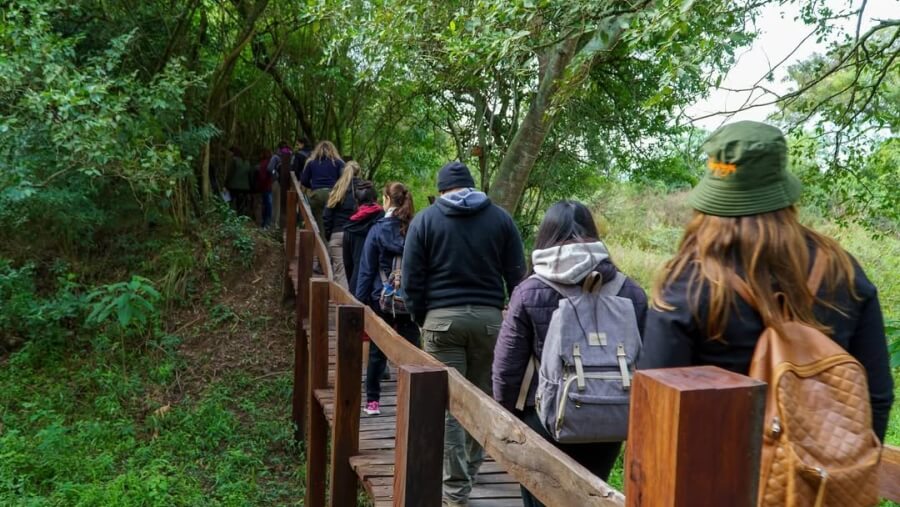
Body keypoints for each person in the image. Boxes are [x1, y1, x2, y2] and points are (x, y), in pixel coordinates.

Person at [639, 120, 893, 440]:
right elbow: (877, 396)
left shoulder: (689, 283)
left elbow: (654, 408)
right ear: (780, 186)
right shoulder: (842, 270)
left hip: (714, 484)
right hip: (820, 483)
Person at [491, 201, 648, 507]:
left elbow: (506, 368)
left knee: (540, 498)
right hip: (610, 417)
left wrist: (505, 418)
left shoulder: (530, 290)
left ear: (546, 236)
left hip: (545, 418)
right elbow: (647, 363)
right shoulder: (630, 291)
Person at [403, 161, 526, 507]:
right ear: (472, 187)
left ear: (442, 190)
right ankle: (470, 470)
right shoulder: (500, 219)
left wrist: (421, 317)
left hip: (441, 322)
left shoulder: (425, 221)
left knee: (448, 405)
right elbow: (519, 277)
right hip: (490, 322)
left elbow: (412, 280)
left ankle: (455, 490)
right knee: (482, 401)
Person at [355, 182, 419, 416]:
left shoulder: (377, 230)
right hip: (408, 299)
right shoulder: (415, 229)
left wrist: (359, 302)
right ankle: (414, 401)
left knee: (376, 351)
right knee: (412, 351)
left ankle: (373, 402)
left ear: (386, 200)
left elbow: (366, 269)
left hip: (379, 297)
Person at [323, 161, 363, 289]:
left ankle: (343, 305)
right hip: (357, 236)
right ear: (359, 172)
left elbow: (327, 215)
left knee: (340, 273)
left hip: (338, 234)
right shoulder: (363, 190)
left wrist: (330, 234)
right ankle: (354, 304)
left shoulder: (337, 189)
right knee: (357, 272)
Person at [343, 181, 383, 293]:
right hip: (380, 284)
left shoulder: (350, 226)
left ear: (357, 200)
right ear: (375, 198)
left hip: (356, 282)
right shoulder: (383, 220)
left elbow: (347, 263)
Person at [299, 140, 344, 238]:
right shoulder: (339, 162)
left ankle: (321, 247)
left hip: (317, 195)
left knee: (319, 224)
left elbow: (303, 180)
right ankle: (331, 248)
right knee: (333, 222)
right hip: (333, 195)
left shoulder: (311, 163)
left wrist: (314, 186)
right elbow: (343, 179)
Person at [225, 146, 253, 216]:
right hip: (245, 187)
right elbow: (249, 175)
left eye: (229, 152)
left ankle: (230, 216)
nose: (228, 154)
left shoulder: (234, 160)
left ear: (233, 152)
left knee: (230, 201)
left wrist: (225, 184)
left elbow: (230, 173)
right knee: (241, 204)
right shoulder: (247, 162)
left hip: (233, 186)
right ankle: (240, 217)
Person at [271, 141, 292, 229]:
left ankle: (274, 224)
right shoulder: (291, 155)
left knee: (275, 203)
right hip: (289, 183)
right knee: (282, 204)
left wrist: (275, 174)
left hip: (277, 182)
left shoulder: (276, 157)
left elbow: (269, 168)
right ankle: (284, 224)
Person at [257, 148, 274, 228]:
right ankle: (267, 223)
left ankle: (265, 223)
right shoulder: (268, 163)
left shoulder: (263, 163)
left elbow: (262, 177)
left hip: (265, 187)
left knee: (267, 205)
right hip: (268, 186)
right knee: (268, 205)